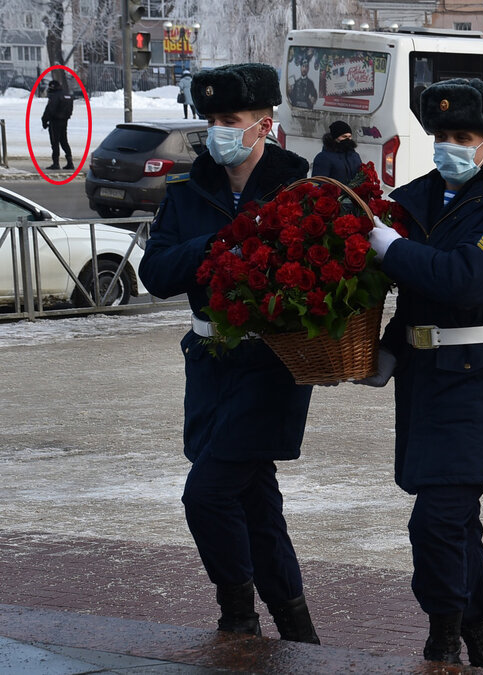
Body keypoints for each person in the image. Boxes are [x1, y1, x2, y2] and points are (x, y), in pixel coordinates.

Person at [361, 77, 483, 670]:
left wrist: (391, 249)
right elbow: (419, 296)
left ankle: (444, 634)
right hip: (428, 374)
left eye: (462, 136)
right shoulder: (419, 198)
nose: (448, 147)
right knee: (457, 522)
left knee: (436, 521)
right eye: (440, 135)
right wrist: (389, 349)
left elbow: (467, 281)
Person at [138, 63, 320, 644]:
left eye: (230, 119)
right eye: (210, 118)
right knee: (257, 506)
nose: (217, 130)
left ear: (263, 125)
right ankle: (296, 629)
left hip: (271, 365)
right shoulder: (191, 191)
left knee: (208, 494)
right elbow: (157, 273)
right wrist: (217, 240)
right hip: (209, 362)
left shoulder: (298, 189)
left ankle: (238, 615)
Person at [310, 120, 363, 184]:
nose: (348, 139)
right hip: (334, 193)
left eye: (349, 136)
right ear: (335, 138)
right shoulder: (323, 157)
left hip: (352, 193)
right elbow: (318, 183)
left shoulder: (355, 156)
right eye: (344, 136)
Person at [40, 79, 74, 170]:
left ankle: (56, 163)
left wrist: (44, 121)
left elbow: (49, 110)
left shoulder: (54, 96)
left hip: (55, 122)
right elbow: (70, 110)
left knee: (55, 142)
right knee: (64, 141)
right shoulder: (68, 95)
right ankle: (70, 162)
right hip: (64, 121)